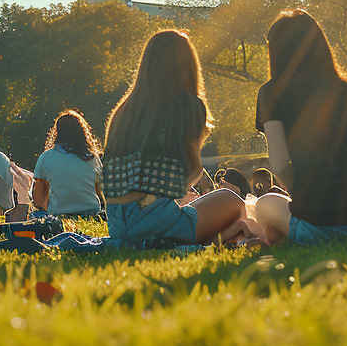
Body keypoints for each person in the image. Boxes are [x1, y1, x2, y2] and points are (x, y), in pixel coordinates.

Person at [251, 11, 347, 245]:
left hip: (322, 228)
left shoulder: (271, 94)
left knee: (264, 204)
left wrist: (304, 192)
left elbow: (281, 165)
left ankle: (276, 238)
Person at [103, 29, 253, 247]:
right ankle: (224, 236)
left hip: (118, 225)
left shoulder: (124, 111)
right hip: (155, 221)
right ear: (188, 66)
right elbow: (192, 172)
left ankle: (223, 235)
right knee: (231, 200)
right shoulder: (188, 105)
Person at [32, 110, 103, 216]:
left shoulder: (47, 157)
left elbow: (38, 199)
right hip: (92, 212)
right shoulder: (92, 158)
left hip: (60, 213)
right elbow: (100, 191)